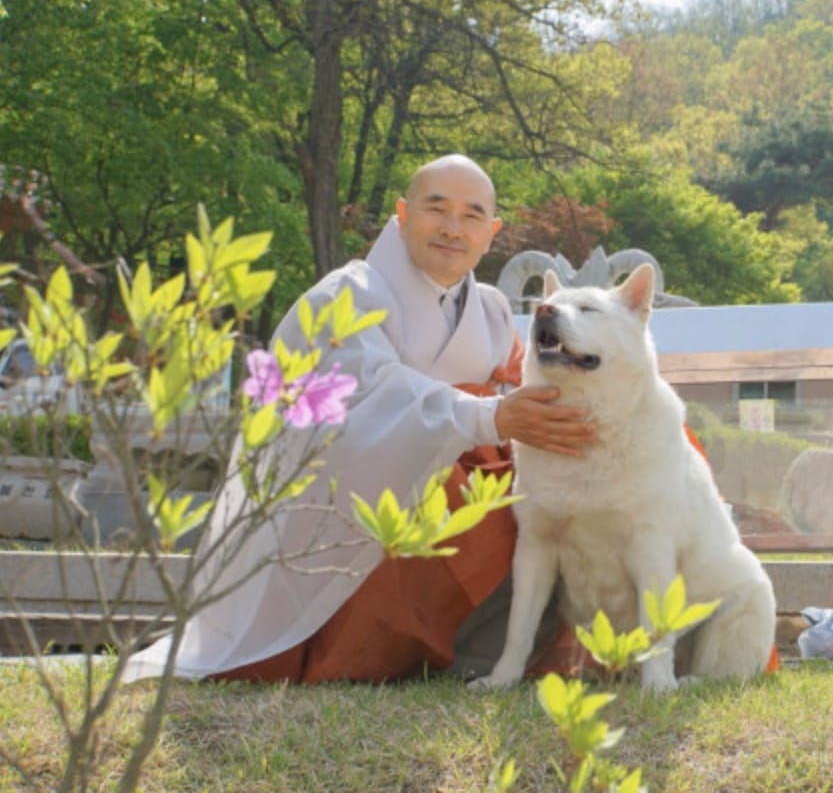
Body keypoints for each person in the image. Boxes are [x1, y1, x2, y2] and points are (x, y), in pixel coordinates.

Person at [122, 154, 594, 683]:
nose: (452, 228)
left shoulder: (490, 309)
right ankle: (419, 653)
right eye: (436, 209)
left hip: (471, 463)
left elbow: (521, 386)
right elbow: (366, 398)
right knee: (458, 495)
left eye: (472, 216)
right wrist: (487, 417)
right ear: (402, 214)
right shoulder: (346, 295)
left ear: (492, 233)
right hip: (352, 498)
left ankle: (559, 649)